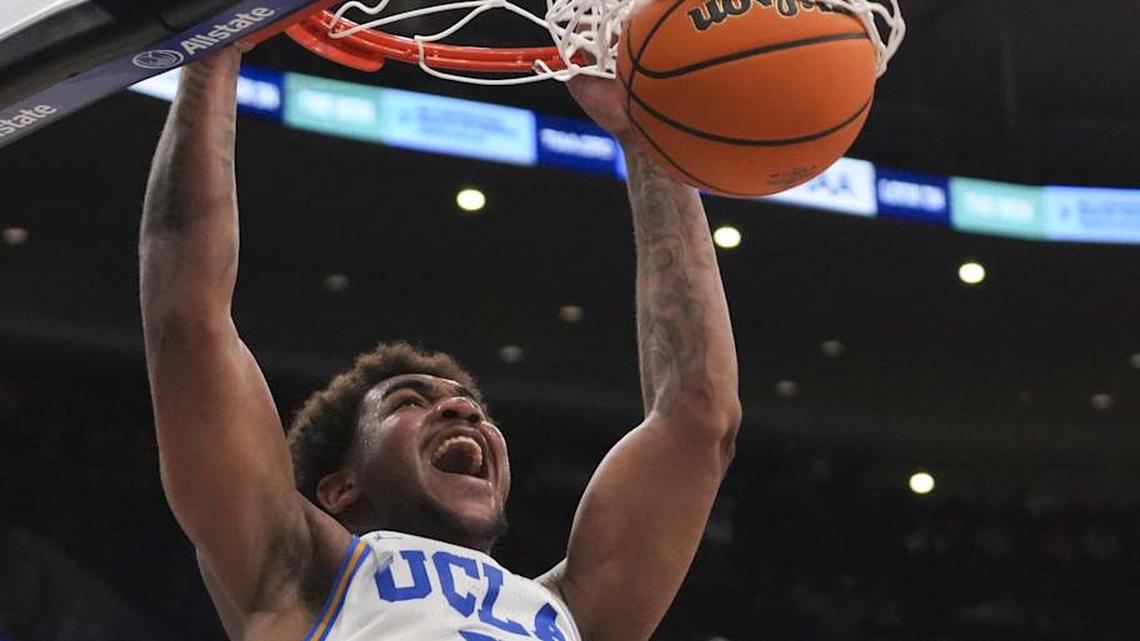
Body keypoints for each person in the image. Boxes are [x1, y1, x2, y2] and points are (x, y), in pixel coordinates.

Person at [139, 43, 741, 641]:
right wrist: (211, 52)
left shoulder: (570, 611)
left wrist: (645, 142)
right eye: (408, 401)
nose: (463, 409)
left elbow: (699, 416)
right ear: (339, 488)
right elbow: (188, 322)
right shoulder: (299, 571)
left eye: (470, 405)